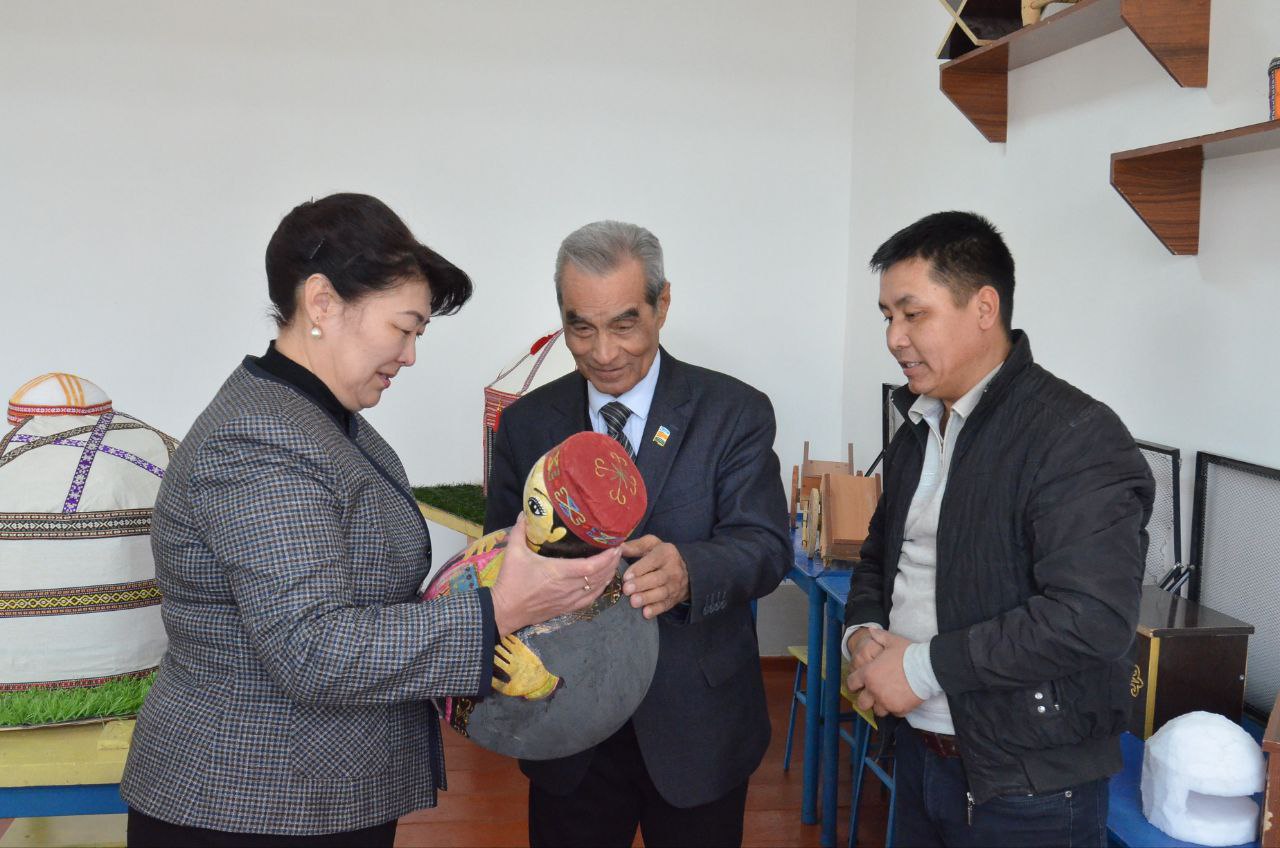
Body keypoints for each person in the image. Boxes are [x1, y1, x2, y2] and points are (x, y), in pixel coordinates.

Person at [120, 193, 622, 847]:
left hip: (315, 796)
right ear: (322, 303)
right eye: (403, 327)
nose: (410, 355)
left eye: (418, 335)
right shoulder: (259, 439)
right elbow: (312, 648)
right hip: (250, 805)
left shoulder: (328, 423)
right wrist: (497, 610)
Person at [842, 211, 1155, 847]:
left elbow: (1091, 617)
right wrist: (863, 633)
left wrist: (921, 668)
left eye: (913, 314)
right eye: (887, 317)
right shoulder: (919, 428)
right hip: (920, 753)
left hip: (1028, 785)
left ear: (985, 307)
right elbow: (879, 555)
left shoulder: (1075, 436)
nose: (895, 338)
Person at [484, 220, 790, 847]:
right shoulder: (526, 424)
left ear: (662, 304)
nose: (603, 352)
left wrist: (689, 572)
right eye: (581, 328)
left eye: (624, 325)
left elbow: (764, 546)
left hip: (696, 727)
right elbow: (499, 558)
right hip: (568, 729)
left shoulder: (733, 412)